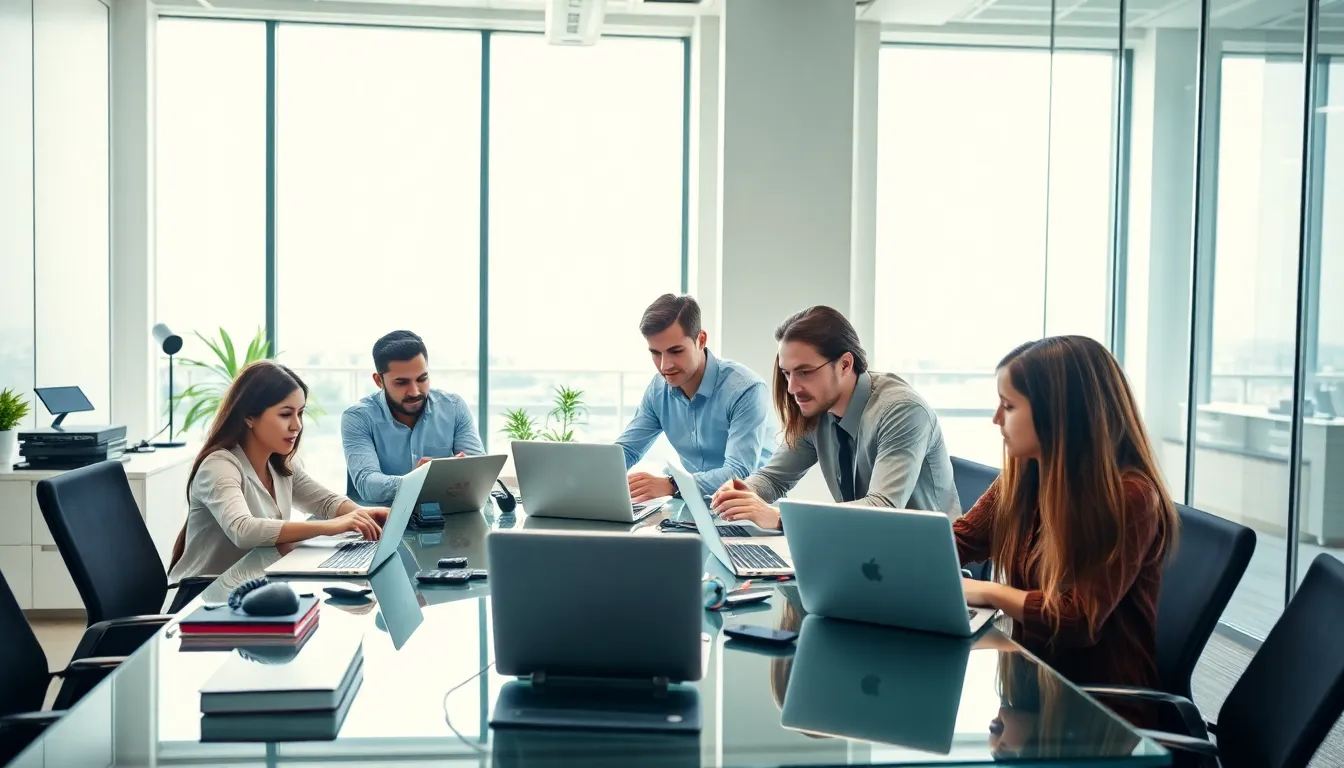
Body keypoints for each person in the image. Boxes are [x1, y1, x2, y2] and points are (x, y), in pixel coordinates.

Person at [953, 335, 1180, 705]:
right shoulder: (1024, 475)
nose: (997, 419)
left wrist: (990, 591)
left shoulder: (1130, 496)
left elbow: (1079, 619)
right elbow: (960, 543)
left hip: (1100, 713)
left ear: (1057, 414)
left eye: (1008, 406)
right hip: (1034, 684)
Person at [710, 305, 959, 529]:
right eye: (787, 374)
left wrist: (780, 518)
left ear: (845, 365)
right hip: (862, 551)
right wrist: (742, 493)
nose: (792, 388)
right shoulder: (818, 408)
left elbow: (884, 508)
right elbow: (774, 478)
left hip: (920, 560)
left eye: (805, 372)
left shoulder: (902, 410)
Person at [168, 360, 390, 582]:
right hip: (201, 596)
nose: (297, 425)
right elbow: (243, 530)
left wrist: (363, 515)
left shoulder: (280, 464)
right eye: (285, 414)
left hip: (252, 589)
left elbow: (326, 503)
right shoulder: (219, 466)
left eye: (300, 413)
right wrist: (331, 527)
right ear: (249, 417)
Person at [615, 294, 773, 502]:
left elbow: (738, 473)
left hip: (749, 509)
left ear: (701, 340)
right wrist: (589, 478)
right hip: (690, 506)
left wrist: (671, 484)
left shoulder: (746, 389)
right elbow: (626, 450)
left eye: (676, 351)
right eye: (656, 353)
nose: (664, 366)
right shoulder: (658, 389)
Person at [342, 330, 484, 503]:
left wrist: (459, 472)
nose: (415, 391)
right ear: (379, 381)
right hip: (385, 520)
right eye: (401, 382)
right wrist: (417, 480)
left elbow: (479, 472)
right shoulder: (358, 418)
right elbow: (367, 484)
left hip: (447, 515)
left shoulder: (453, 407)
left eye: (422, 379)